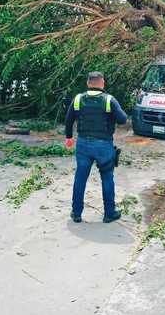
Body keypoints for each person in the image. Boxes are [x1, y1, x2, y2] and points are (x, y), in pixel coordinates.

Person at [65, 71, 127, 224]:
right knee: (107, 178)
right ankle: (109, 213)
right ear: (102, 83)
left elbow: (68, 120)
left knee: (80, 177)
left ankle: (76, 213)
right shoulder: (109, 100)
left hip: (83, 145)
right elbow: (123, 120)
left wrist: (68, 138)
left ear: (88, 83)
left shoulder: (78, 99)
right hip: (103, 146)